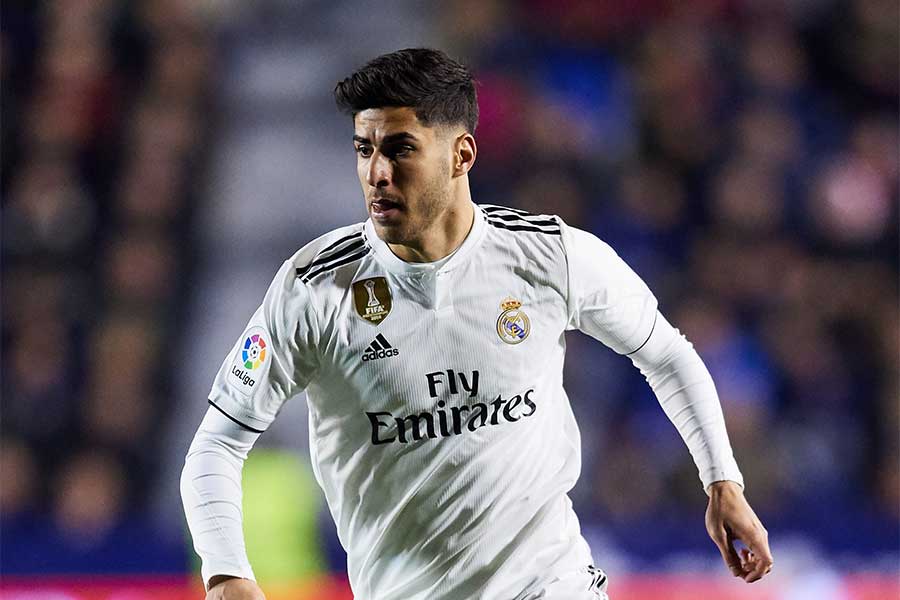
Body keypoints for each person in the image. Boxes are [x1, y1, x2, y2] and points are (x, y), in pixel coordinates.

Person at [181, 48, 774, 600]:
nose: (377, 172)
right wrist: (226, 574)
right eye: (364, 149)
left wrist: (722, 480)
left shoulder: (549, 256)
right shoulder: (315, 288)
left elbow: (667, 354)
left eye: (400, 149)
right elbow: (216, 444)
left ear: (461, 154)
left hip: (552, 584)